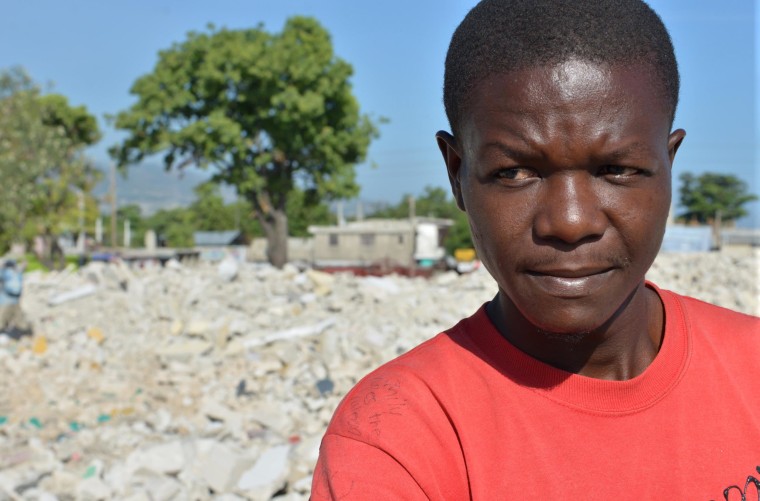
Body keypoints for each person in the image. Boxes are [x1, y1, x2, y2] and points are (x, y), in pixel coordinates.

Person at [311, 0, 760, 499]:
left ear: (668, 163)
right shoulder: (396, 438)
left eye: (617, 170)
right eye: (514, 173)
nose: (569, 222)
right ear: (457, 173)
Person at [0, 259, 27, 337]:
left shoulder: (7, 272)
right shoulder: (13, 273)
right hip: (11, 301)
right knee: (17, 319)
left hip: (9, 301)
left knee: (4, 319)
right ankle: (24, 333)